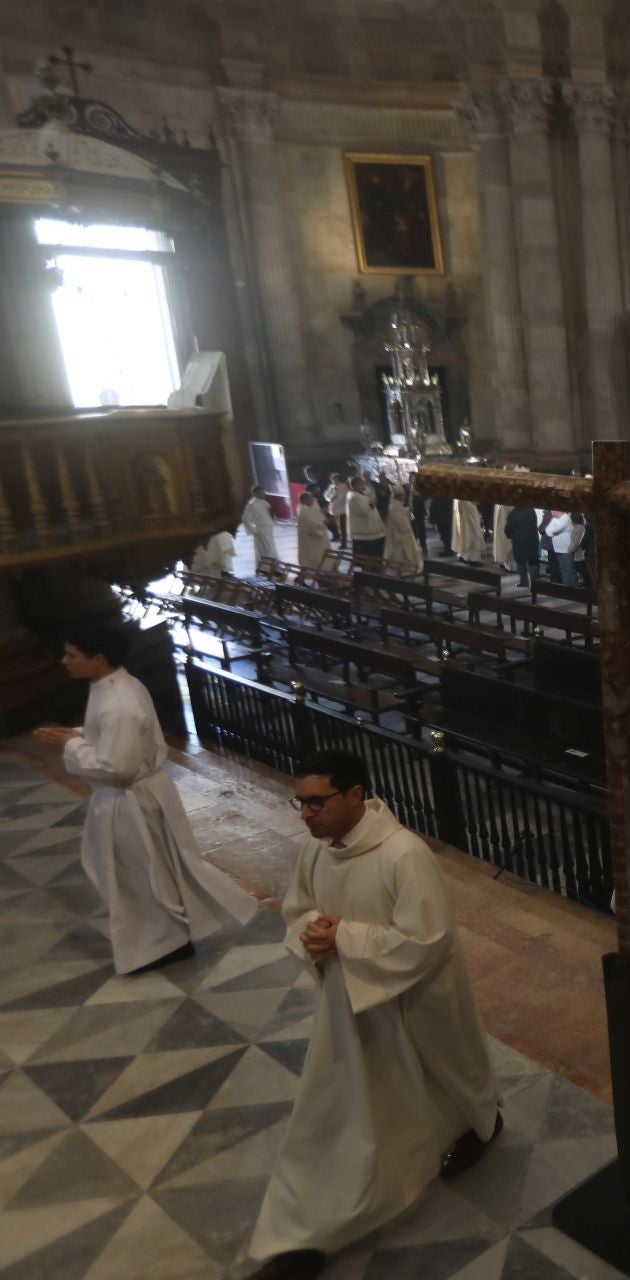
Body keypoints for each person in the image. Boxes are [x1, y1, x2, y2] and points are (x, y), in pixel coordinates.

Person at [246, 751, 501, 1280]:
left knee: (447, 1073)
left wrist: (343, 936)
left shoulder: (403, 855)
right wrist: (316, 931)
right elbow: (299, 910)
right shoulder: (318, 854)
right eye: (302, 802)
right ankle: (306, 1234)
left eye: (317, 802)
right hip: (352, 1002)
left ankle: (483, 1124)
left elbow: (429, 938)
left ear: (356, 795)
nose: (306, 814)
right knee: (336, 1108)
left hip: (418, 995)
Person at [35, 622, 258, 974]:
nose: (64, 661)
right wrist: (80, 733)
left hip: (129, 800)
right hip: (135, 796)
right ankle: (161, 941)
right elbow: (119, 739)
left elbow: (117, 765)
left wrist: (72, 744)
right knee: (140, 874)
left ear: (98, 658)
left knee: (141, 877)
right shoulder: (114, 685)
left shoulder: (118, 702)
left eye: (71, 655)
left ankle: (160, 944)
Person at [345, 476, 387, 559]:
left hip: (370, 531)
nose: (364, 485)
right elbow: (363, 510)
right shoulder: (354, 497)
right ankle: (368, 570)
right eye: (362, 483)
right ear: (357, 485)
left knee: (374, 554)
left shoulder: (359, 495)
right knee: (367, 555)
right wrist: (372, 503)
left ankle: (375, 568)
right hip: (364, 534)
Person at [384, 488, 423, 572]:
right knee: (400, 554)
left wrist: (409, 512)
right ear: (399, 496)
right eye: (404, 494)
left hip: (403, 534)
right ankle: (400, 571)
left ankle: (405, 570)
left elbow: (406, 516)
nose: (405, 496)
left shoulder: (398, 505)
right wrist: (407, 526)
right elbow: (399, 521)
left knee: (404, 553)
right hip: (400, 535)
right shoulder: (395, 506)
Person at [242, 484, 277, 566]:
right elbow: (245, 518)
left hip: (268, 528)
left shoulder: (264, 502)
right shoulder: (252, 504)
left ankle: (269, 567)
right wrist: (254, 530)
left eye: (264, 492)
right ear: (255, 494)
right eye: (261, 492)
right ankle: (269, 567)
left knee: (268, 547)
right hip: (261, 529)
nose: (264, 494)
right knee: (268, 549)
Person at [505, 505, 540, 588]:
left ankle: (524, 582)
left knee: (521, 562)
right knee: (533, 562)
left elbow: (509, 529)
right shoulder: (531, 510)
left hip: (519, 541)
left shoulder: (514, 513)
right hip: (532, 540)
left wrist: (510, 535)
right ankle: (536, 584)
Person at [295, 490, 329, 570]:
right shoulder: (304, 510)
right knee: (314, 558)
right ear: (305, 500)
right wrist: (325, 523)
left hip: (311, 538)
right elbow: (312, 525)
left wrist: (322, 515)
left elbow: (315, 517)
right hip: (312, 539)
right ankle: (317, 575)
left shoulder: (306, 508)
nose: (312, 501)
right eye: (311, 499)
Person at [452, 497, 488, 563]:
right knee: (473, 531)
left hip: (460, 501)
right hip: (468, 502)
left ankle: (463, 555)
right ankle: (473, 558)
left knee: (463, 530)